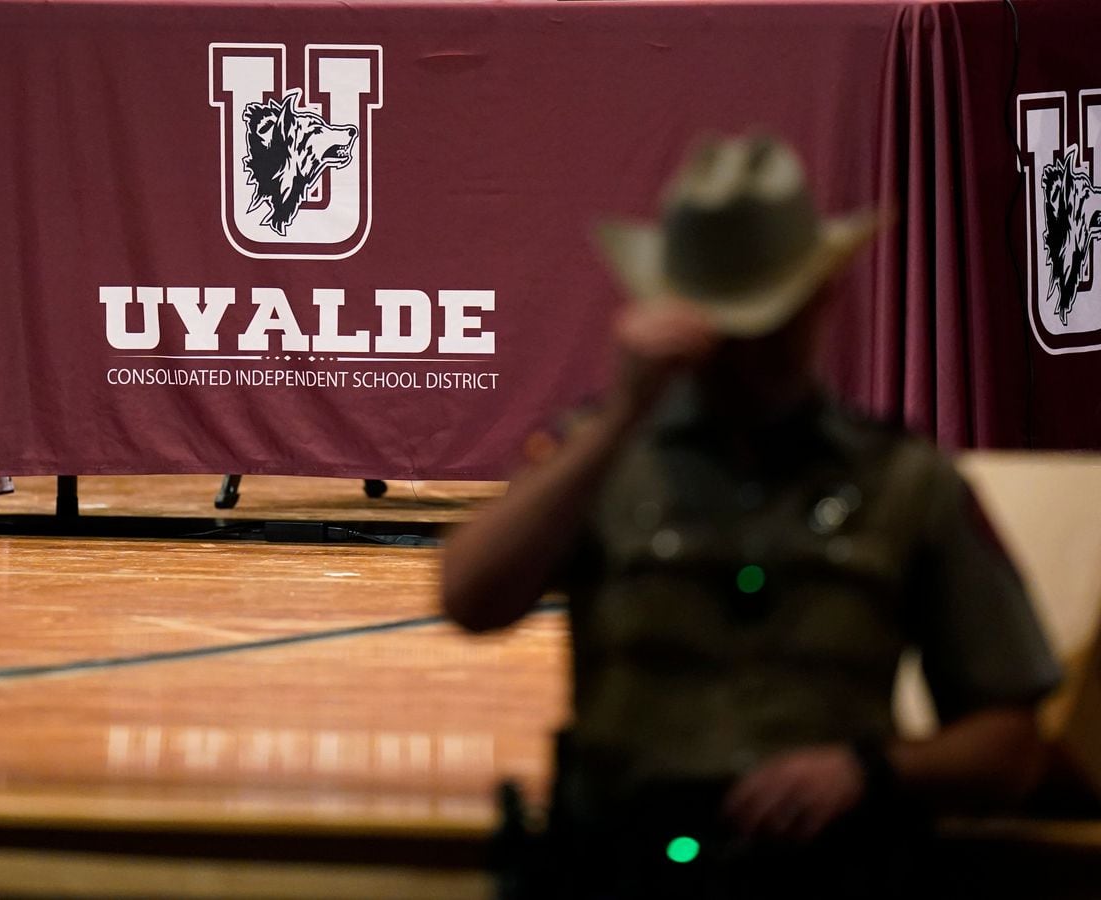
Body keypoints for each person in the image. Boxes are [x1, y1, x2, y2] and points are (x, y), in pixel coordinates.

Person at [442, 136, 1063, 898]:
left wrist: (869, 771)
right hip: (622, 863)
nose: (747, 353)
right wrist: (618, 420)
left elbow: (1011, 747)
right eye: (727, 326)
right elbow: (470, 598)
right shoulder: (604, 463)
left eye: (767, 324)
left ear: (820, 302)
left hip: (828, 868)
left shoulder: (905, 481)